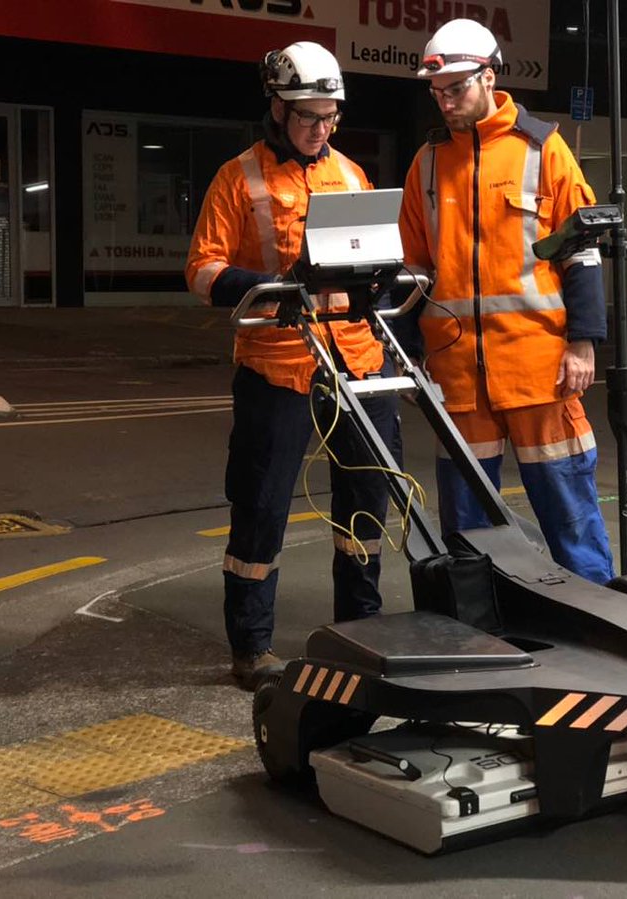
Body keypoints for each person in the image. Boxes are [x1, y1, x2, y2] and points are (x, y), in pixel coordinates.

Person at [185, 42, 399, 689]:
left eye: (330, 116)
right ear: (277, 109)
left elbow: (377, 264)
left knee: (366, 500)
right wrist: (275, 286)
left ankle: (359, 629)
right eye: (309, 115)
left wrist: (381, 283)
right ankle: (251, 646)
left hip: (356, 357)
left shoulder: (354, 175)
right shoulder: (239, 177)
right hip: (277, 364)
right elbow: (202, 270)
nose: (320, 128)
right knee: (262, 503)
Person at [397, 18, 614, 584]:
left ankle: (596, 624)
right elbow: (415, 269)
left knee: (569, 511)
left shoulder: (544, 151)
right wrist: (407, 348)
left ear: (490, 76)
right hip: (458, 375)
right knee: (468, 528)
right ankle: (479, 632)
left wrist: (584, 343)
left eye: (456, 89)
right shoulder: (426, 164)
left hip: (540, 370)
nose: (445, 103)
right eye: (437, 93)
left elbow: (583, 254)